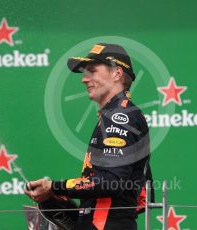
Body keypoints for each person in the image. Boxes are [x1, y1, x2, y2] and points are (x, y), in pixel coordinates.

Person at [25, 43, 153, 230]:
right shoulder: (118, 115)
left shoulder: (120, 116)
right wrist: (64, 204)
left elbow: (111, 182)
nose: (84, 79)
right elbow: (141, 195)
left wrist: (54, 187)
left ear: (117, 74)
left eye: (92, 71)